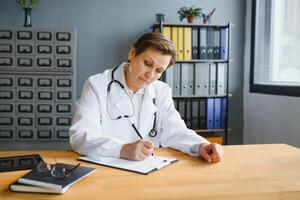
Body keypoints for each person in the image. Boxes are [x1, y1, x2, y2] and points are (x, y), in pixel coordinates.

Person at [69, 32, 223, 163]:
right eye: (147, 63)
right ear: (132, 53)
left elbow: (175, 131)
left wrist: (201, 145)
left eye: (159, 71)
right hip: (106, 169)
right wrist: (122, 149)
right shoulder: (97, 85)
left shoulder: (161, 91)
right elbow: (81, 136)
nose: (150, 75)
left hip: (147, 169)